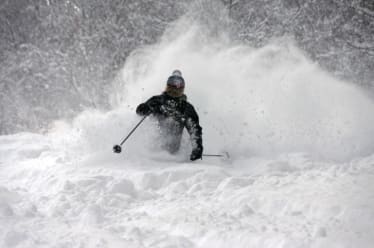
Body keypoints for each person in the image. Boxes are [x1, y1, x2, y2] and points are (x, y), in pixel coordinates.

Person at [136, 70, 203, 161]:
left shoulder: (186, 107)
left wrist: (197, 148)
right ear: (167, 85)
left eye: (179, 85)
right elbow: (140, 113)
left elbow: (194, 129)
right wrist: (144, 108)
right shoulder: (157, 101)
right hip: (153, 151)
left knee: (181, 119)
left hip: (173, 156)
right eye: (172, 84)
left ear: (182, 88)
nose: (175, 88)